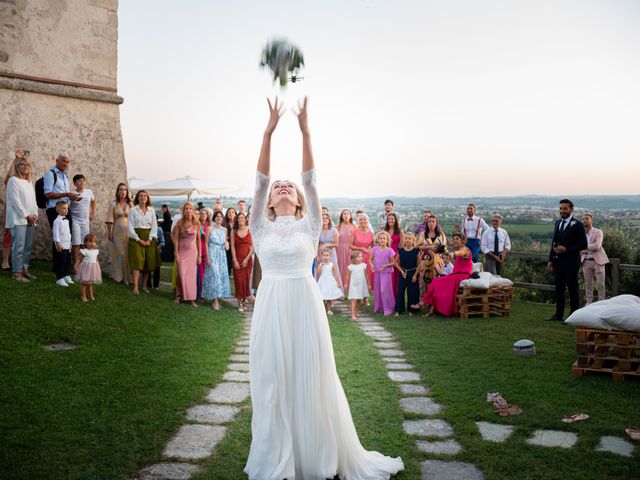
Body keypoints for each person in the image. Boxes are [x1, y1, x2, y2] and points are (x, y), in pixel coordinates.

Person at [245, 97, 403, 479]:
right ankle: (277, 457)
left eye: (289, 186)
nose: (282, 186)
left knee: (311, 377)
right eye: (278, 186)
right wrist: (267, 132)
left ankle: (315, 455)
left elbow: (310, 178)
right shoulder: (260, 226)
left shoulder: (310, 226)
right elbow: (261, 180)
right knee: (271, 381)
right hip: (271, 304)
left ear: (299, 202)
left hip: (304, 302)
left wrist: (304, 130)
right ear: (268, 202)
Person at [546, 199, 588, 321]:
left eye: (565, 208)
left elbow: (583, 244)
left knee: (572, 289)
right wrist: (550, 260)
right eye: (561, 208)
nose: (562, 211)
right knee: (558, 288)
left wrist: (566, 249)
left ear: (571, 209)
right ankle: (558, 314)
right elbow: (553, 243)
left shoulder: (578, 225)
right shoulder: (557, 223)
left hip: (571, 262)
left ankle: (574, 316)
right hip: (558, 262)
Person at [412, 233, 473, 317]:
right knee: (436, 282)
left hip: (462, 276)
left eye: (457, 239)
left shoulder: (465, 249)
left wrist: (454, 254)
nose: (454, 240)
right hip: (455, 275)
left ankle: (422, 303)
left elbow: (460, 252)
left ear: (462, 241)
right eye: (453, 239)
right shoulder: (459, 248)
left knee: (436, 281)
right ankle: (430, 310)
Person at [5, 155, 38, 282]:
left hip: (30, 219)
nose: (25, 167)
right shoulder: (13, 180)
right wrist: (26, 216)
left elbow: (32, 201)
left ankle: (25, 269)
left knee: (27, 246)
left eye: (27, 164)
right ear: (17, 167)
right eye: (22, 164)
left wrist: (35, 215)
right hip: (19, 219)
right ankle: (17, 273)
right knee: (18, 246)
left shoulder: (29, 182)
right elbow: (15, 201)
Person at [128, 189, 159, 295]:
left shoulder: (152, 211)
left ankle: (144, 286)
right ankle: (136, 286)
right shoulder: (133, 210)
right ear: (137, 198)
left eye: (145, 196)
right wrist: (138, 239)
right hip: (136, 238)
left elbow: (154, 226)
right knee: (137, 261)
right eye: (141, 196)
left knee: (147, 263)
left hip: (149, 237)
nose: (143, 198)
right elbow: (130, 228)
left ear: (147, 198)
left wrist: (150, 240)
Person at [173, 202, 201, 307]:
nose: (188, 210)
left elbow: (198, 240)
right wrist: (176, 253)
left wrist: (199, 255)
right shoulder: (179, 223)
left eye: (190, 208)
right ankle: (179, 295)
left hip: (193, 252)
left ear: (193, 210)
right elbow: (176, 239)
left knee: (191, 276)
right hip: (182, 250)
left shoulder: (196, 223)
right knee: (181, 273)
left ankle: (191, 298)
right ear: (183, 210)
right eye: (186, 208)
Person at [201, 210, 230, 309]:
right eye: (217, 216)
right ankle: (215, 301)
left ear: (222, 218)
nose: (219, 218)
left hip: (221, 255)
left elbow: (226, 241)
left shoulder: (224, 230)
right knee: (215, 275)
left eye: (221, 216)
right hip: (212, 253)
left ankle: (216, 298)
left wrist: (227, 244)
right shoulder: (209, 228)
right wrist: (207, 257)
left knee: (220, 277)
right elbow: (205, 243)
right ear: (214, 218)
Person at [105, 183, 133, 284]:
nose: (123, 192)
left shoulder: (130, 204)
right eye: (121, 189)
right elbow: (109, 219)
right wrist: (109, 232)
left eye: (125, 190)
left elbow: (134, 219)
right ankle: (118, 276)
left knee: (127, 253)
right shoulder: (113, 204)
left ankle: (127, 278)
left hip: (128, 232)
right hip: (117, 231)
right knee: (119, 253)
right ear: (117, 191)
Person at [43, 154, 80, 228]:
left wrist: (72, 197)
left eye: (67, 162)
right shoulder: (50, 174)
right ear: (57, 161)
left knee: (68, 235)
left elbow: (65, 194)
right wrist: (67, 194)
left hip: (66, 209)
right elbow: (48, 194)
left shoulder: (65, 175)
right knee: (58, 237)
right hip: (55, 209)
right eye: (63, 161)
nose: (65, 164)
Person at [68, 174, 96, 269]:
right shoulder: (72, 193)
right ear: (75, 183)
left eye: (83, 180)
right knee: (76, 243)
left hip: (85, 221)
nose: (82, 182)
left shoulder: (89, 192)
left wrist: (92, 212)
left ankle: (82, 264)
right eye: (79, 181)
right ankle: (75, 264)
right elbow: (67, 206)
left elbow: (93, 201)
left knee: (85, 243)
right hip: (75, 220)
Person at [581, 213, 609, 304]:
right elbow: (578, 248)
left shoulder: (598, 232)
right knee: (588, 285)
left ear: (591, 221)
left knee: (601, 285)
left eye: (587, 218)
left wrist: (584, 247)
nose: (584, 220)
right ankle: (588, 305)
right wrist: (585, 248)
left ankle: (601, 304)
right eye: (583, 219)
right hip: (586, 262)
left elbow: (597, 246)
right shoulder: (580, 234)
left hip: (599, 261)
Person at [416, 216, 447, 295]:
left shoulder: (441, 235)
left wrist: (439, 249)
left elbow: (444, 248)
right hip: (425, 261)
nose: (431, 223)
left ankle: (435, 303)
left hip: (438, 262)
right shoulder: (423, 234)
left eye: (433, 221)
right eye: (429, 222)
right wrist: (428, 247)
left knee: (437, 282)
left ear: (436, 223)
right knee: (424, 281)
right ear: (427, 223)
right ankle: (425, 302)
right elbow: (418, 246)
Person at [370, 231, 396, 316]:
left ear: (387, 240)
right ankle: (378, 308)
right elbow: (370, 259)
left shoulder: (389, 250)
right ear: (378, 239)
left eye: (384, 238)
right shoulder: (374, 249)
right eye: (380, 238)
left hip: (386, 273)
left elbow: (393, 263)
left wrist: (386, 265)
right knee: (377, 290)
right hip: (377, 273)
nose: (382, 240)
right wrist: (371, 265)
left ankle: (388, 309)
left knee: (384, 290)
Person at [231, 211, 253, 312]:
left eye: (242, 218)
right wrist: (235, 260)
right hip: (237, 259)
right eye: (239, 218)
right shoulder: (233, 231)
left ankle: (244, 300)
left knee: (246, 281)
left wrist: (247, 259)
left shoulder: (250, 230)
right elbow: (232, 246)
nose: (241, 220)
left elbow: (253, 247)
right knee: (239, 281)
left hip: (247, 260)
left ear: (245, 220)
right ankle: (240, 301)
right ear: (237, 220)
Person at [394, 232, 420, 315]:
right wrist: (401, 271)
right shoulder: (400, 250)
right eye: (406, 238)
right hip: (403, 273)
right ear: (403, 240)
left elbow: (419, 264)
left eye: (410, 238)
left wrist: (415, 275)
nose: (408, 240)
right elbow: (395, 262)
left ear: (413, 241)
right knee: (400, 291)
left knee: (412, 292)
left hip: (413, 273)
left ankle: (411, 310)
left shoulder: (416, 251)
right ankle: (398, 310)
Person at [351, 212, 375, 297]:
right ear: (358, 221)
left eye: (364, 219)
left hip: (367, 257)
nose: (363, 221)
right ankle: (356, 296)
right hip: (356, 256)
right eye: (361, 219)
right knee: (357, 277)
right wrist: (360, 249)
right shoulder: (354, 232)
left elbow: (373, 247)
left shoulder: (371, 233)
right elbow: (350, 245)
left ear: (367, 221)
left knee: (366, 276)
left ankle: (365, 297)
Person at [74, 233, 102, 302]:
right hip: (86, 269)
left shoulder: (96, 251)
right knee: (84, 283)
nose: (92, 243)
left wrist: (98, 268)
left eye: (94, 242)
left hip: (93, 269)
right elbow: (79, 259)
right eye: (90, 241)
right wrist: (75, 265)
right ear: (86, 243)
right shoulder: (84, 251)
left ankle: (91, 295)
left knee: (90, 283)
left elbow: (96, 260)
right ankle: (83, 296)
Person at [317, 212, 341, 288]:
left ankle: (335, 290)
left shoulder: (334, 230)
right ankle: (322, 291)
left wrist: (326, 245)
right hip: (320, 253)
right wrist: (316, 255)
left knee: (333, 270)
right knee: (322, 270)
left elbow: (336, 244)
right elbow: (315, 244)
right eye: (323, 218)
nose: (324, 219)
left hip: (331, 254)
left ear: (329, 219)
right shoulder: (318, 230)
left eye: (326, 218)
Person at [316, 248, 343, 316]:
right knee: (321, 297)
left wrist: (337, 282)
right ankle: (321, 310)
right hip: (322, 282)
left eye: (327, 255)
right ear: (321, 256)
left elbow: (335, 274)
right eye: (324, 255)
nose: (326, 257)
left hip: (329, 282)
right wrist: (320, 267)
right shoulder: (321, 264)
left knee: (328, 297)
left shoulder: (331, 264)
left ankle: (329, 310)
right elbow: (318, 274)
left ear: (330, 256)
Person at [52, 201, 73, 287]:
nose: (66, 210)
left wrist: (70, 243)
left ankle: (65, 275)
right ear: (57, 210)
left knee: (67, 261)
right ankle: (59, 278)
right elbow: (55, 233)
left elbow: (68, 233)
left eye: (67, 208)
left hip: (67, 245)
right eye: (64, 208)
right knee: (61, 261)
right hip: (61, 245)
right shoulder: (57, 221)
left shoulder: (67, 220)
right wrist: (58, 243)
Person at [384, 212, 403, 297]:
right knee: (387, 277)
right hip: (386, 255)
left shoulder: (399, 231)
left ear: (395, 220)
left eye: (392, 219)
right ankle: (387, 297)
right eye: (389, 219)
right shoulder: (385, 231)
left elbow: (401, 246)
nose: (390, 220)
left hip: (396, 256)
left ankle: (395, 298)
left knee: (395, 278)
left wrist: (397, 259)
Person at [346, 251, 369, 320]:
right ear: (354, 258)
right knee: (354, 299)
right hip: (354, 286)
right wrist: (346, 283)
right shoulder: (351, 267)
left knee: (359, 299)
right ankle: (353, 314)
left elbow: (366, 275)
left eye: (361, 257)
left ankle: (356, 312)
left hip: (361, 285)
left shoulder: (363, 266)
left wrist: (369, 284)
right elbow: (348, 276)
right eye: (359, 257)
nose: (361, 258)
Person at [336, 209, 356, 287]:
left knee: (349, 267)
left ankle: (350, 286)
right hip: (340, 249)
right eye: (344, 213)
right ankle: (340, 286)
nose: (346, 215)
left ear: (350, 216)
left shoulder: (354, 226)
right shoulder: (338, 226)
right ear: (342, 216)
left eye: (348, 213)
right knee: (341, 267)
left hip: (351, 249)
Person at [197, 207, 211, 298]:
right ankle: (200, 292)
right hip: (198, 247)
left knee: (207, 272)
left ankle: (207, 291)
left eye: (205, 214)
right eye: (201, 214)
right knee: (200, 271)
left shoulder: (209, 225)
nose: (203, 215)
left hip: (207, 248)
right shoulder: (197, 224)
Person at [224, 207, 237, 276]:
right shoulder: (224, 224)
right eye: (229, 212)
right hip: (227, 247)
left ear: (235, 214)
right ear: (227, 214)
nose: (231, 213)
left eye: (232, 212)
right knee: (228, 263)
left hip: (237, 245)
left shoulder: (237, 223)